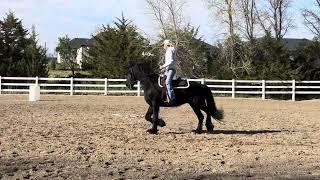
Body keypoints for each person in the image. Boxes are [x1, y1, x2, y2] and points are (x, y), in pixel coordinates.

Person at [159, 39, 176, 104]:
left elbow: (170, 61)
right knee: (163, 81)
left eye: (164, 44)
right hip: (169, 69)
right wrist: (164, 68)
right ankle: (165, 96)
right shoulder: (171, 50)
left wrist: (162, 66)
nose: (163, 46)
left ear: (166, 45)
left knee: (168, 82)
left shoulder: (169, 50)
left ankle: (172, 98)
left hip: (170, 70)